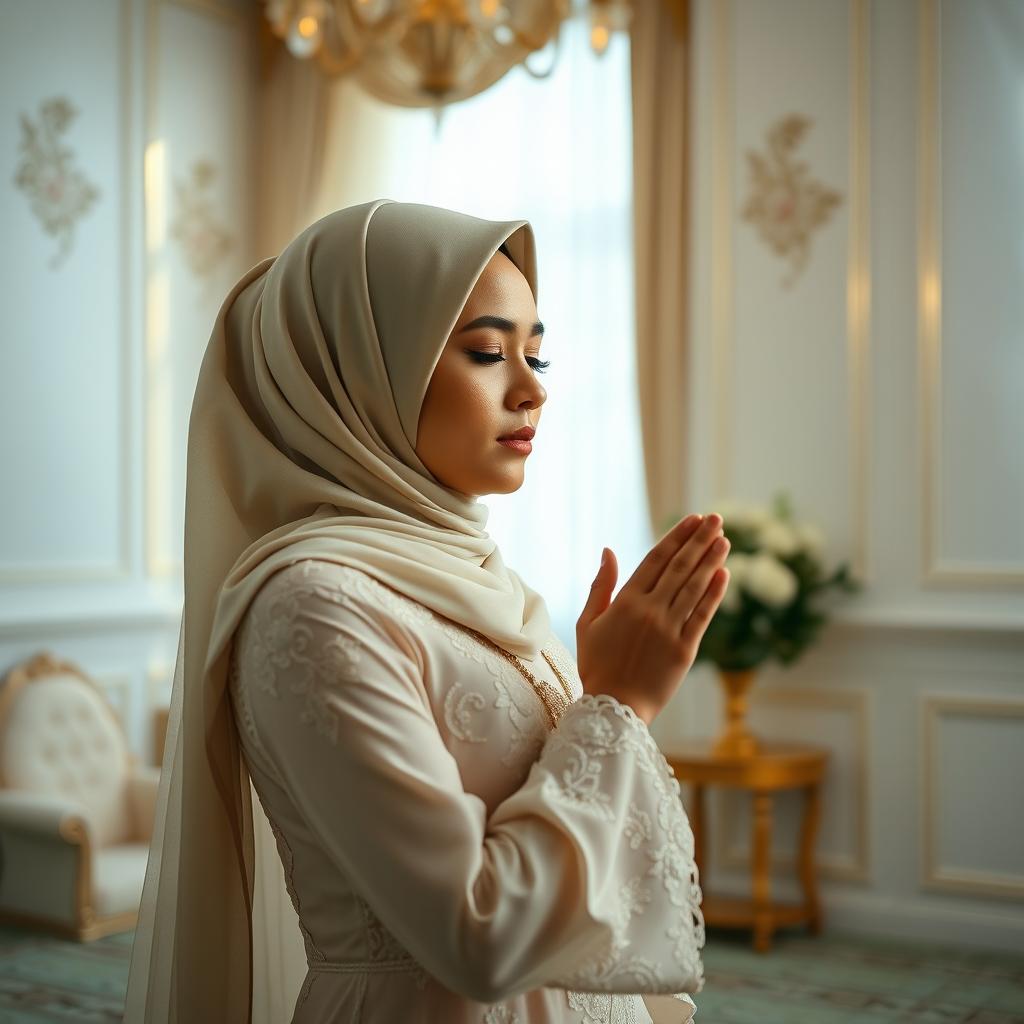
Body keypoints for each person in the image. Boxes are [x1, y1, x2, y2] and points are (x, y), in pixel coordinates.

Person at [124, 199, 731, 1024]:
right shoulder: (316, 603)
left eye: (536, 358)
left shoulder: (481, 582)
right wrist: (621, 701)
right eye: (487, 352)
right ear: (359, 371)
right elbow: (474, 937)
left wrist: (599, 692)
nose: (530, 391)